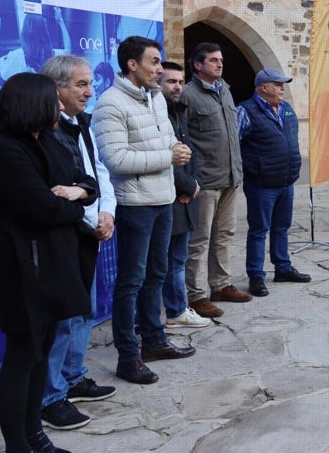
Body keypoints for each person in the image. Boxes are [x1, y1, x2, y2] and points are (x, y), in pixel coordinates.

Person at [0, 72, 98, 453]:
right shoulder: (5, 152)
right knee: (22, 358)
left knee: (40, 354)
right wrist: (73, 204)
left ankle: (33, 433)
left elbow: (88, 182)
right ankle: (16, 452)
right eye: (52, 101)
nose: (59, 107)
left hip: (51, 262)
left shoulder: (42, 140)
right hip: (23, 268)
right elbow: (44, 209)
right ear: (33, 104)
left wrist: (76, 194)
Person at [92, 36, 195, 385]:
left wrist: (177, 150)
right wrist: (169, 156)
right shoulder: (110, 104)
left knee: (157, 274)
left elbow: (166, 140)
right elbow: (116, 160)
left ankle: (154, 341)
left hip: (163, 199)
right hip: (135, 205)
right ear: (132, 65)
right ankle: (128, 355)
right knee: (131, 281)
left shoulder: (155, 98)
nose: (160, 69)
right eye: (153, 62)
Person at [37, 55, 118, 431]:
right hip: (65, 234)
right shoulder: (44, 133)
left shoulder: (80, 124)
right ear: (57, 89)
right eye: (80, 85)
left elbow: (96, 171)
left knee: (82, 310)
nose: (89, 91)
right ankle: (50, 397)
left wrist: (106, 212)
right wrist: (89, 210)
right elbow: (58, 190)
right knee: (63, 316)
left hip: (89, 228)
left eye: (89, 84)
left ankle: (73, 377)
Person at [180, 42, 248, 315]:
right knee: (199, 239)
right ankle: (196, 295)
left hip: (230, 177)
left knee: (224, 234)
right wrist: (189, 179)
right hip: (205, 181)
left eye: (221, 60)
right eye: (213, 60)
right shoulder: (188, 95)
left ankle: (220, 285)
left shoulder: (226, 90)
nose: (220, 64)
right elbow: (182, 138)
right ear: (198, 65)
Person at [237, 68, 312, 296]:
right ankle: (256, 276)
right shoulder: (245, 110)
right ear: (263, 88)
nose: (282, 88)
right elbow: (233, 143)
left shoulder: (286, 109)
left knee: (282, 227)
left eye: (282, 84)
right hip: (261, 183)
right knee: (259, 230)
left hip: (286, 180)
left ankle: (283, 267)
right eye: (278, 84)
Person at [157, 62, 210, 330]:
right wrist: (188, 186)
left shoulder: (179, 112)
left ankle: (177, 309)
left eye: (179, 81)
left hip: (186, 197)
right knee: (168, 263)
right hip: (170, 198)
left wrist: (196, 183)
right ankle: (174, 311)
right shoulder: (157, 114)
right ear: (158, 83)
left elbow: (191, 152)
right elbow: (165, 158)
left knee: (178, 259)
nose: (177, 86)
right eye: (170, 81)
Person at [0, 7, 70, 80]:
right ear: (46, 33)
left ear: (24, 33)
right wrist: (60, 21)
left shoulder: (17, 57)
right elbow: (68, 52)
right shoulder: (52, 57)